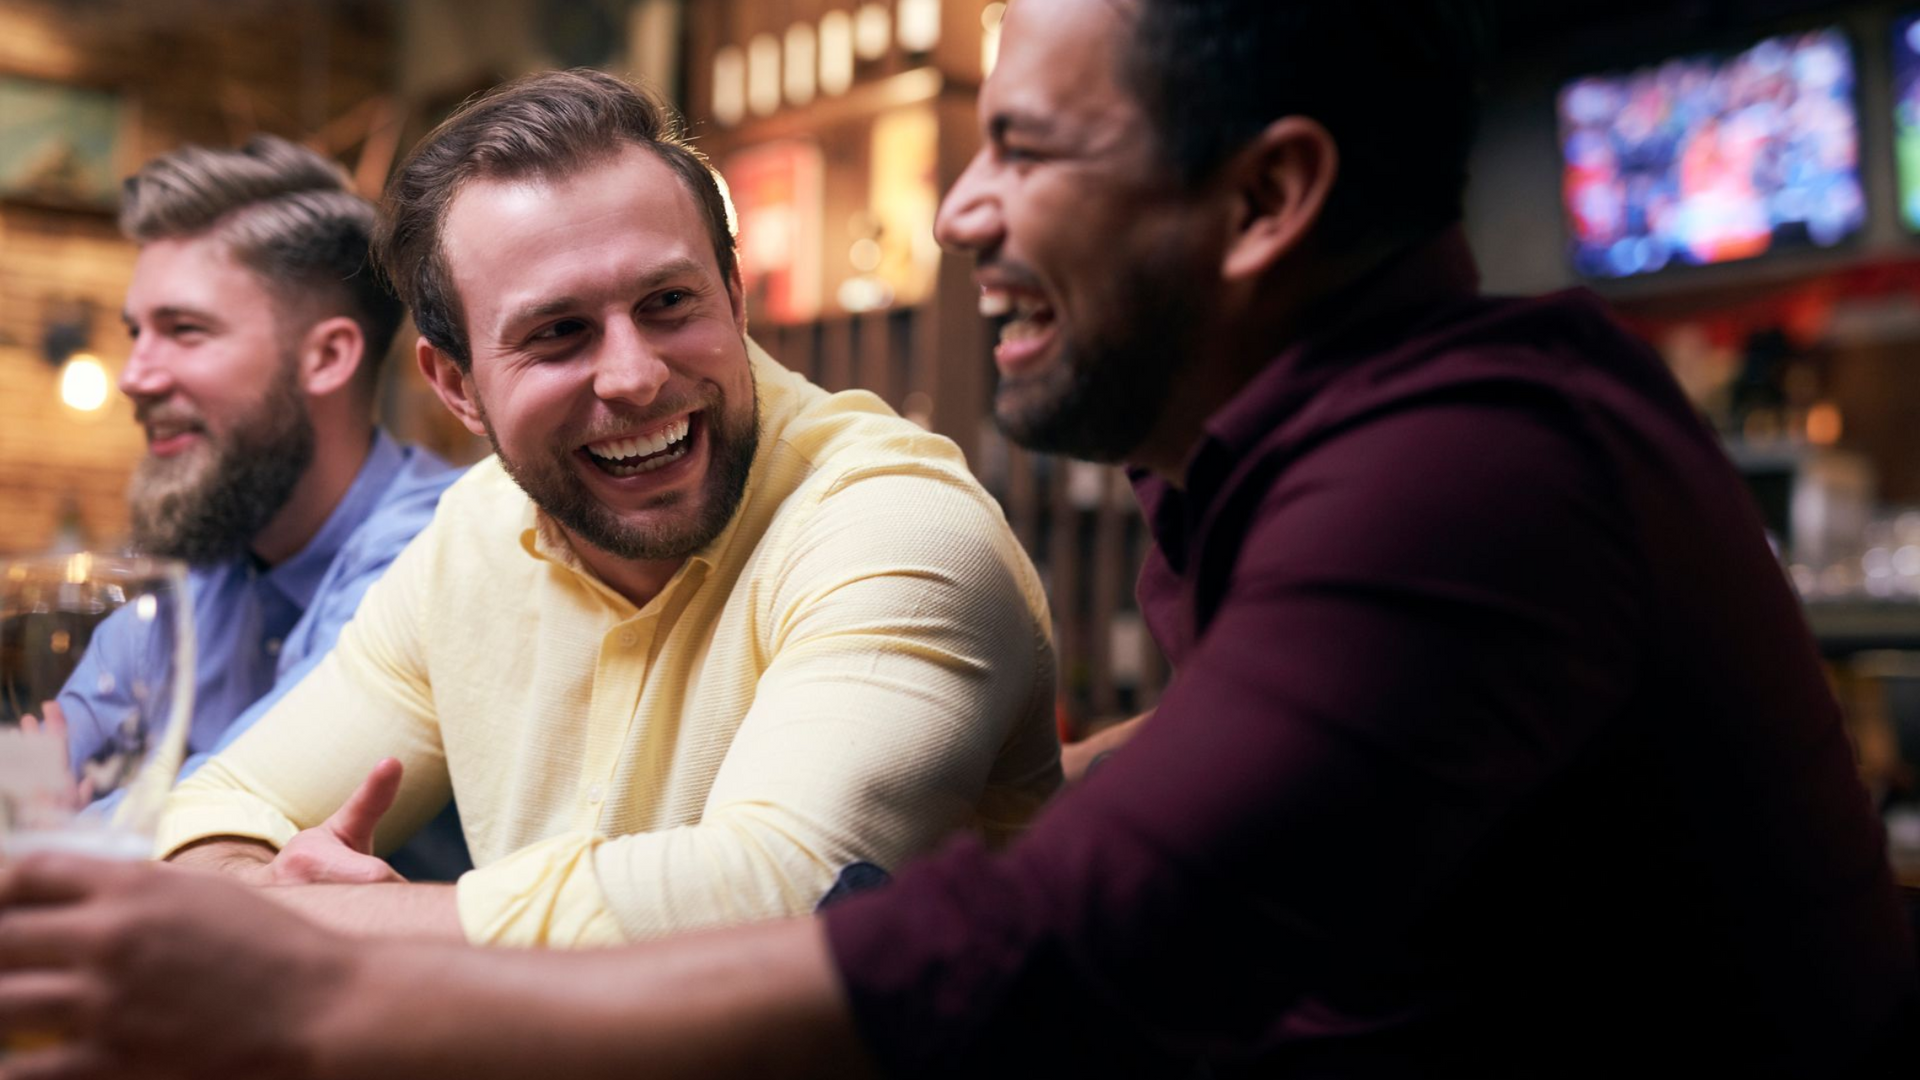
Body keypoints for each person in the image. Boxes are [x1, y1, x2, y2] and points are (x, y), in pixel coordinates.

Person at [1, 1, 1914, 1076]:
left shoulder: (1466, 472)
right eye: (552, 335)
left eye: (1027, 151)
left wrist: (347, 978)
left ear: (1265, 200)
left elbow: (1040, 948)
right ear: (453, 384)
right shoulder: (1312, 475)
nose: (961, 214)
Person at [148, 69, 1061, 948]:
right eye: (558, 335)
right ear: (458, 386)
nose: (635, 377)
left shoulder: (895, 524)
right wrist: (250, 885)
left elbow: (783, 896)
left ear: (735, 299)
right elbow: (218, 805)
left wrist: (343, 929)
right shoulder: (471, 539)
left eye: (669, 303)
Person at [49, 135, 470, 879]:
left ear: (327, 357)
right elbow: (36, 765)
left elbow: (245, 810)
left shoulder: (440, 547)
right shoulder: (199, 570)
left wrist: (64, 829)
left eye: (184, 330)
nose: (134, 377)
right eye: (135, 333)